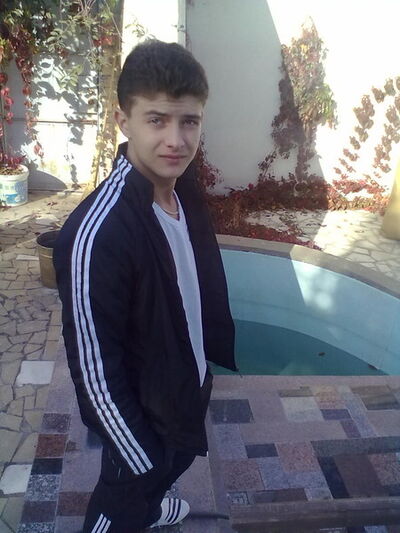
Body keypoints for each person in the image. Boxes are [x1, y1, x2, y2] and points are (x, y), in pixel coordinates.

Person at [54, 39, 236, 533]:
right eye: (157, 120)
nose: (176, 140)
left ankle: (155, 505)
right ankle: (139, 507)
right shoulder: (99, 233)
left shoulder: (182, 190)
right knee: (124, 502)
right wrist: (141, 458)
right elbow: (95, 374)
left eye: (189, 121)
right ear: (123, 121)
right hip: (141, 418)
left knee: (169, 472)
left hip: (182, 387)